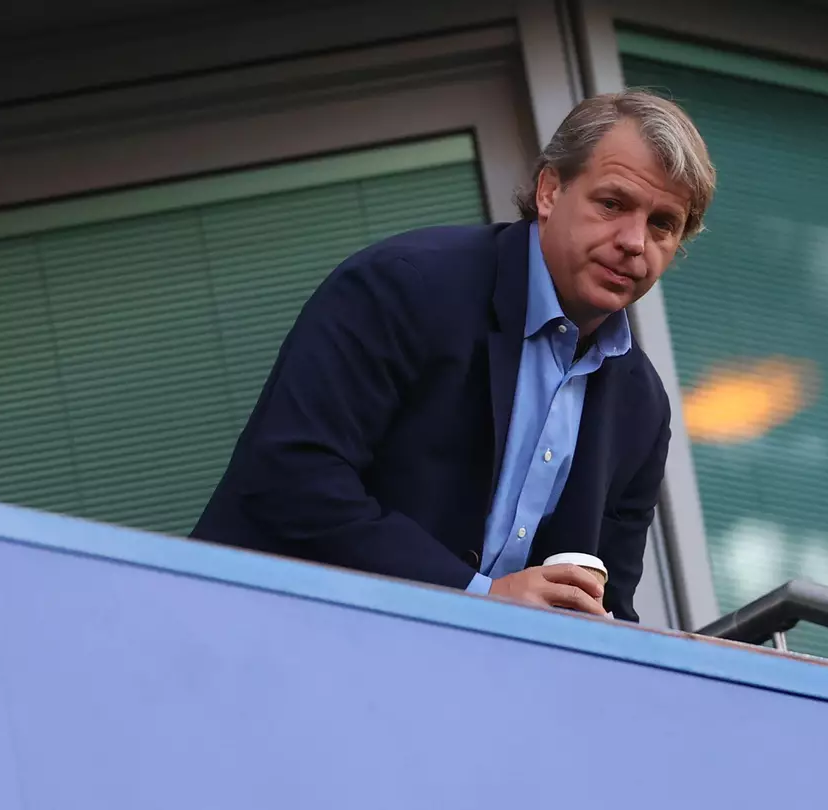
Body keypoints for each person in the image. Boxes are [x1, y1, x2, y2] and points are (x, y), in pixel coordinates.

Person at [192, 90, 715, 621]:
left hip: (445, 690)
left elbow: (610, 606)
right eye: (612, 204)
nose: (633, 241)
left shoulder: (642, 408)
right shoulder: (404, 285)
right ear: (550, 191)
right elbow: (290, 478)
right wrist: (479, 597)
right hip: (259, 642)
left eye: (662, 224)